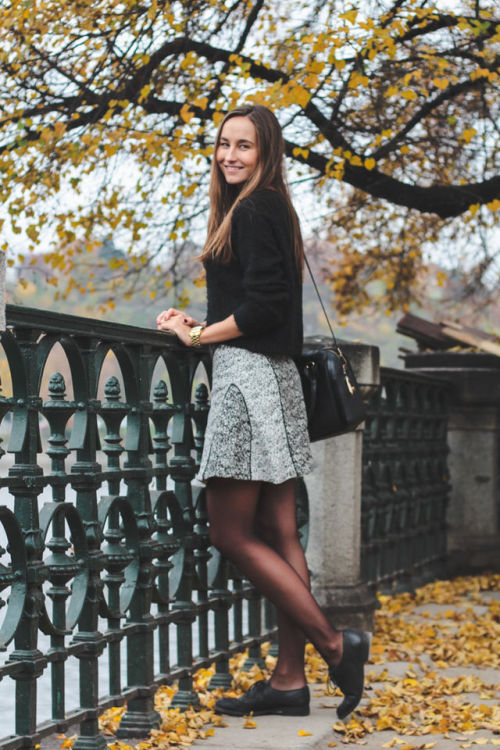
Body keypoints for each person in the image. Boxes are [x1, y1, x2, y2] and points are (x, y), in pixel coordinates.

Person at [156, 104, 370, 719]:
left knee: (230, 532)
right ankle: (288, 681)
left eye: (244, 146)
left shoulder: (252, 208)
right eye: (224, 144)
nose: (230, 155)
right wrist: (200, 326)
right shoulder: (269, 206)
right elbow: (258, 305)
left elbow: (266, 308)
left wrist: (197, 339)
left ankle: (335, 643)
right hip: (272, 379)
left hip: (248, 384)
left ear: (266, 152)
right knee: (279, 532)